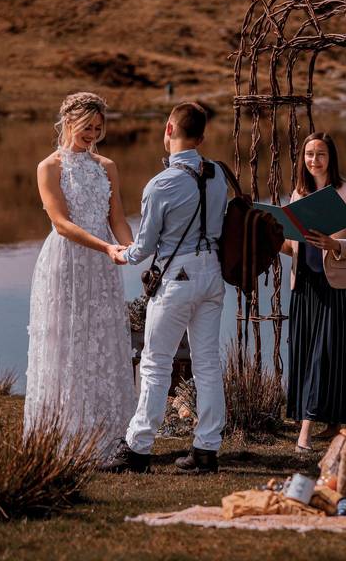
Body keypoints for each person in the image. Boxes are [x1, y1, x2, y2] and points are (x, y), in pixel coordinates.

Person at [102, 102, 227, 474]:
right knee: (207, 363)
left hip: (177, 280)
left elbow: (143, 248)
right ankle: (206, 449)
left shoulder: (161, 184)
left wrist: (119, 253)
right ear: (202, 138)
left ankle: (137, 449)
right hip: (213, 275)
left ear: (168, 128)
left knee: (156, 363)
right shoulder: (219, 173)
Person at [24, 92, 137, 459]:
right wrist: (105, 247)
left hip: (102, 267)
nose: (93, 134)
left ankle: (109, 434)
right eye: (87, 127)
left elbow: (116, 218)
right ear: (68, 121)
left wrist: (130, 248)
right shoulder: (49, 167)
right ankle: (61, 435)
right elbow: (60, 223)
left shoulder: (107, 166)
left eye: (99, 128)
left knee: (101, 341)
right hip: (67, 263)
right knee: (66, 344)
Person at [281, 132, 346, 453]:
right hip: (305, 287)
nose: (314, 160)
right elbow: (293, 247)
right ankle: (333, 425)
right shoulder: (297, 194)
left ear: (331, 157)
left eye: (320, 154)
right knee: (308, 356)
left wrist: (335, 245)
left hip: (338, 286)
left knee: (326, 355)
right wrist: (270, 230)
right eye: (308, 154)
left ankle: (304, 433)